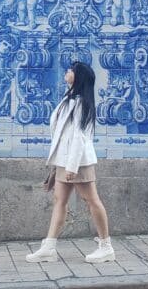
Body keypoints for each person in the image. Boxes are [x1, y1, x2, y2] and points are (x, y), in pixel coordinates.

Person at [26, 62, 115, 265]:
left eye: (71, 70)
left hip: (77, 161)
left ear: (78, 76)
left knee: (91, 200)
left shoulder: (82, 103)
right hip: (64, 160)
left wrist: (72, 167)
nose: (67, 72)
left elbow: (79, 138)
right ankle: (49, 247)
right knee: (59, 200)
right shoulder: (70, 99)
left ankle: (106, 246)